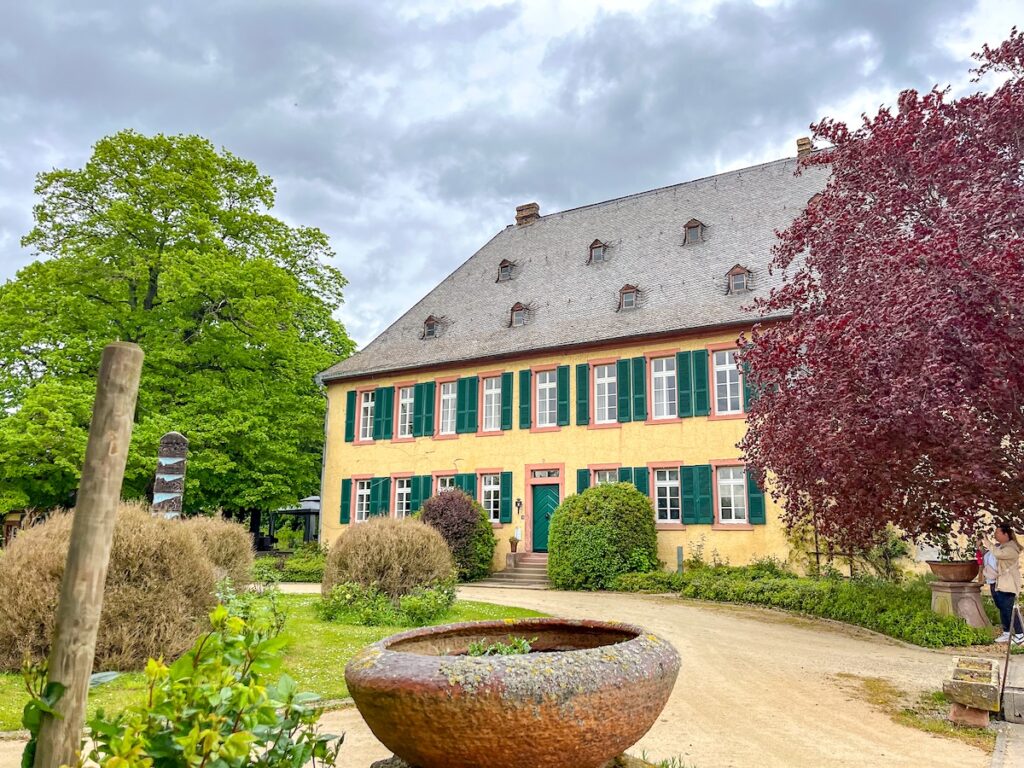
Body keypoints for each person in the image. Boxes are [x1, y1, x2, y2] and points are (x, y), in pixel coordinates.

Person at [989, 522, 1023, 644]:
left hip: (1009, 584)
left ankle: (1020, 634)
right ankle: (1007, 633)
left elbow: (997, 554)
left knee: (1009, 609)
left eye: (997, 532)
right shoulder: (1004, 546)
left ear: (1005, 534)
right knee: (1004, 609)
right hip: (1003, 583)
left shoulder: (1011, 549)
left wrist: (987, 542)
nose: (995, 535)